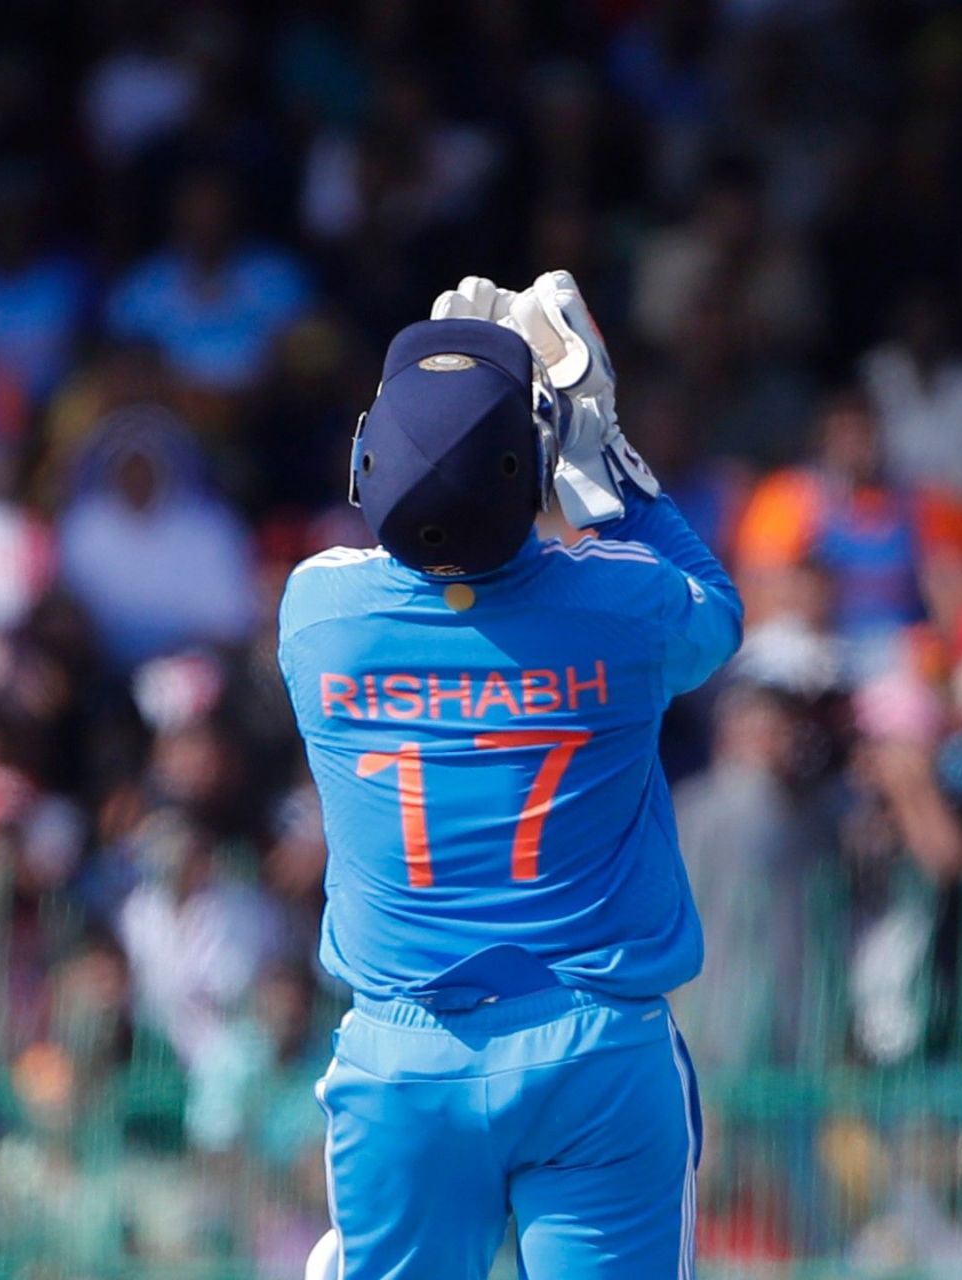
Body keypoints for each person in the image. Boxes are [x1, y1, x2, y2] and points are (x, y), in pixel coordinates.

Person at [276, 272, 742, 1277]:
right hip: (596, 1052)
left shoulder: (318, 617)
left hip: (402, 1059)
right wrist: (593, 448)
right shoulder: (619, 605)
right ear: (527, 475)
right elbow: (715, 611)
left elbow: (407, 532)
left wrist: (443, 423)